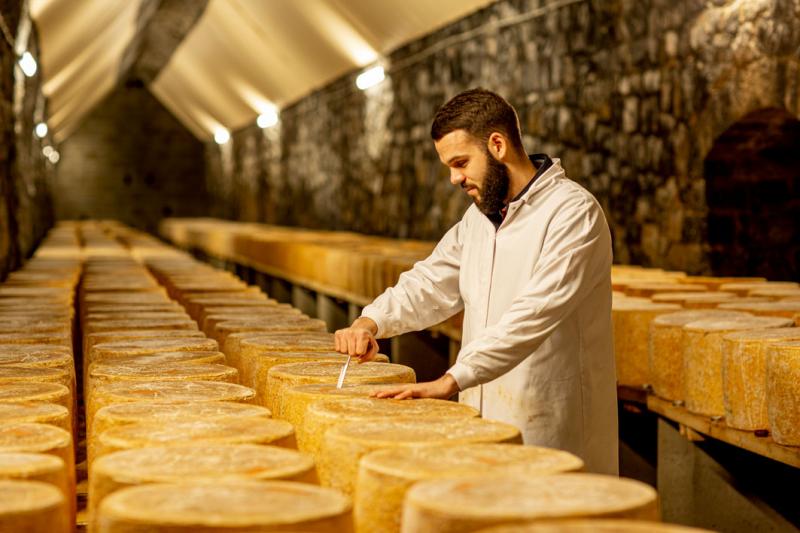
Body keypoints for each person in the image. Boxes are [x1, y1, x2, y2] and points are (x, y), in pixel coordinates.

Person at [334, 88, 618, 475]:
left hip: (546, 425)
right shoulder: (479, 219)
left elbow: (533, 313)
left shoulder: (572, 213)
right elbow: (431, 281)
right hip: (481, 425)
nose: (454, 178)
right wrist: (372, 320)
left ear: (497, 144)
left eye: (461, 162)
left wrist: (452, 380)